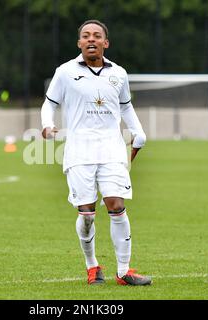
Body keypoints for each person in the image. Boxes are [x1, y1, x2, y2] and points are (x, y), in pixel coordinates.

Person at [40, 20, 151, 286]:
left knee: (117, 204)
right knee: (87, 213)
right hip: (79, 151)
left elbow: (125, 107)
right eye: (86, 36)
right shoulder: (65, 72)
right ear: (79, 43)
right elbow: (49, 103)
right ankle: (92, 267)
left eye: (97, 36)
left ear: (105, 42)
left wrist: (138, 130)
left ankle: (124, 271)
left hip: (112, 149)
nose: (91, 39)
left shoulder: (119, 74)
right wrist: (46, 124)